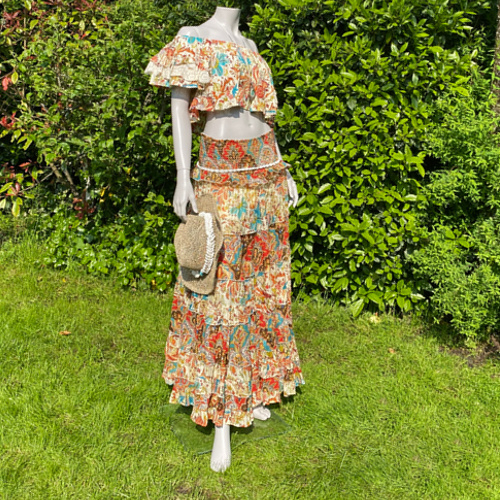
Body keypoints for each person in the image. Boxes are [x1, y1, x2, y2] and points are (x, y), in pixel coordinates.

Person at [144, 6, 305, 473]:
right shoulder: (193, 37)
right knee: (221, 292)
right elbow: (179, 106)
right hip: (219, 169)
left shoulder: (250, 46)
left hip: (266, 171)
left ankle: (251, 390)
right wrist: (183, 176)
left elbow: (263, 117)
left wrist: (284, 170)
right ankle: (220, 415)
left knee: (262, 288)